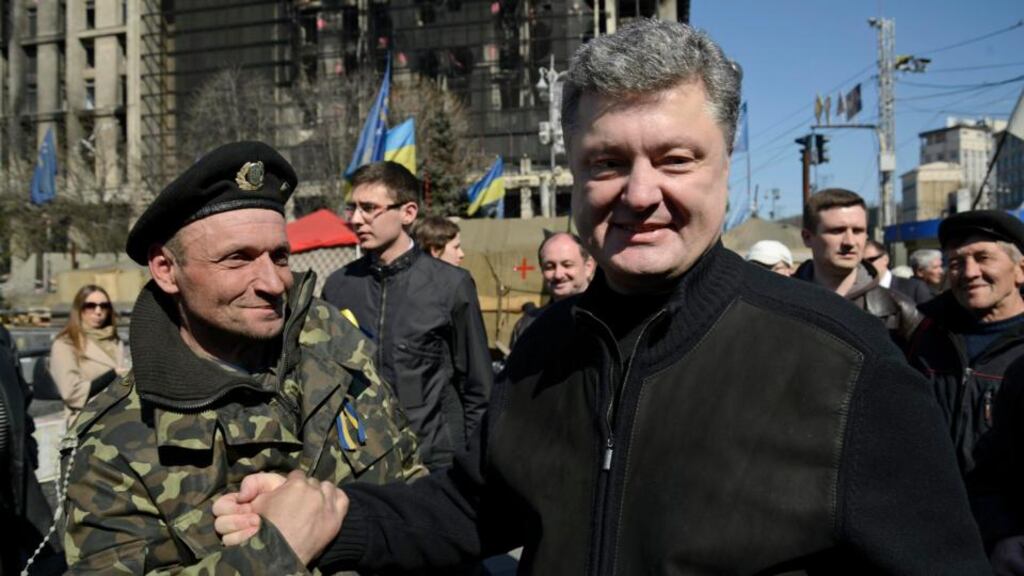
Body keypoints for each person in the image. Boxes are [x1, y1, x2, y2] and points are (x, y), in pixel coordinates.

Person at [214, 21, 990, 574]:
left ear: (726, 163)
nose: (641, 192)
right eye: (609, 161)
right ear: (576, 176)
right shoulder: (548, 347)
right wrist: (333, 514)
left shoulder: (847, 367)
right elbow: (473, 512)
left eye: (676, 158)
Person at [61, 141, 424, 574]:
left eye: (280, 256)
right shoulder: (116, 441)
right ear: (165, 269)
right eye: (237, 259)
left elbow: (415, 483)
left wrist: (343, 517)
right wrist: (275, 550)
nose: (273, 282)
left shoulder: (333, 344)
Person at [322, 161, 491, 471]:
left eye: (369, 208)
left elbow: (478, 388)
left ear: (408, 212)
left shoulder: (451, 285)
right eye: (352, 208)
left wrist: (470, 466)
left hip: (435, 464)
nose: (356, 219)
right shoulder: (338, 287)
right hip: (362, 464)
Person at [907, 210, 1024, 478]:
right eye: (956, 262)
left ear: (1021, 271)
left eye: (983, 258)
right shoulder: (923, 334)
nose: (970, 273)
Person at [795, 188, 922, 346]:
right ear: (807, 237)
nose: (849, 242)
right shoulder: (780, 302)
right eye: (837, 231)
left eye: (857, 231)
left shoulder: (901, 312)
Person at [0, 324, 64, 575]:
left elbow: (21, 394)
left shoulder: (2, 336)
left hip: (16, 469)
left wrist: (28, 445)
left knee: (45, 557)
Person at [49, 285, 129, 427]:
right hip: (87, 423)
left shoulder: (115, 341)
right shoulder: (66, 343)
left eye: (104, 306)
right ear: (79, 309)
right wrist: (111, 375)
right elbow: (71, 393)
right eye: (90, 306)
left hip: (119, 420)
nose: (98, 311)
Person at [508, 232, 596, 349]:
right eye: (550, 267)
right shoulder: (528, 326)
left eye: (567, 265)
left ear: (588, 267)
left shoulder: (608, 318)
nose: (558, 274)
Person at [864, 239, 933, 304]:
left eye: (870, 260)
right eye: (861, 263)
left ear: (885, 259)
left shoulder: (915, 288)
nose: (865, 266)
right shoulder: (860, 290)